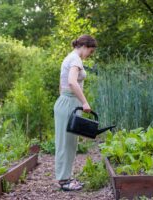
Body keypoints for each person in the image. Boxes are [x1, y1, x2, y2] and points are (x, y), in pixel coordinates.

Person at [54, 34, 97, 191]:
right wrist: (84, 102)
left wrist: (69, 100)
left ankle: (66, 177)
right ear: (84, 46)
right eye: (90, 52)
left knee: (69, 143)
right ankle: (64, 181)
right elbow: (72, 82)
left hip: (68, 102)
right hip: (68, 103)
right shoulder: (75, 59)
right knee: (66, 143)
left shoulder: (70, 57)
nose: (90, 55)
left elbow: (62, 84)